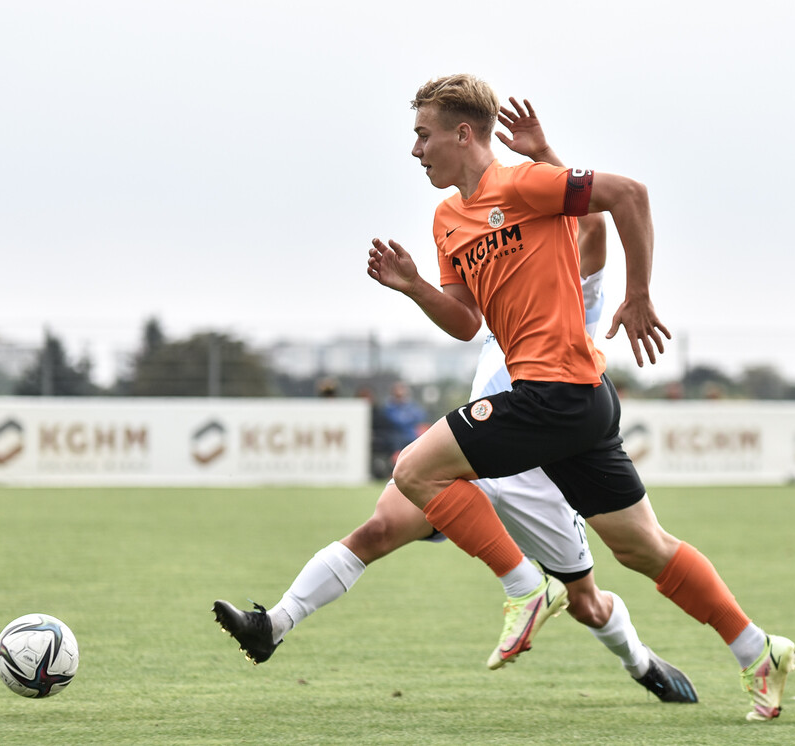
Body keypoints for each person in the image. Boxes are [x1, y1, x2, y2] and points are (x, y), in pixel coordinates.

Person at [364, 76, 795, 722]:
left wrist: (640, 293)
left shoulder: (522, 185)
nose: (415, 150)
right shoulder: (446, 219)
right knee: (643, 547)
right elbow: (463, 320)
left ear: (462, 134)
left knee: (414, 470)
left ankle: (524, 588)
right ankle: (758, 648)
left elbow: (627, 196)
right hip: (573, 404)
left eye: (423, 135)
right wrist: (414, 287)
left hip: (557, 395)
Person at [214, 167, 698, 703]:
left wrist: (543, 158)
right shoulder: (497, 316)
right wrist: (418, 285)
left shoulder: (574, 298)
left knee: (586, 602)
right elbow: (465, 316)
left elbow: (595, 223)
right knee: (378, 528)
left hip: (540, 476)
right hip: (473, 454)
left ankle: (640, 662)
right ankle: (273, 626)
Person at [383, 381, 427, 454]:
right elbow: (397, 421)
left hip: (411, 435)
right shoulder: (389, 407)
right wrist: (408, 417)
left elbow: (420, 416)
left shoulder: (411, 405)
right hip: (396, 436)